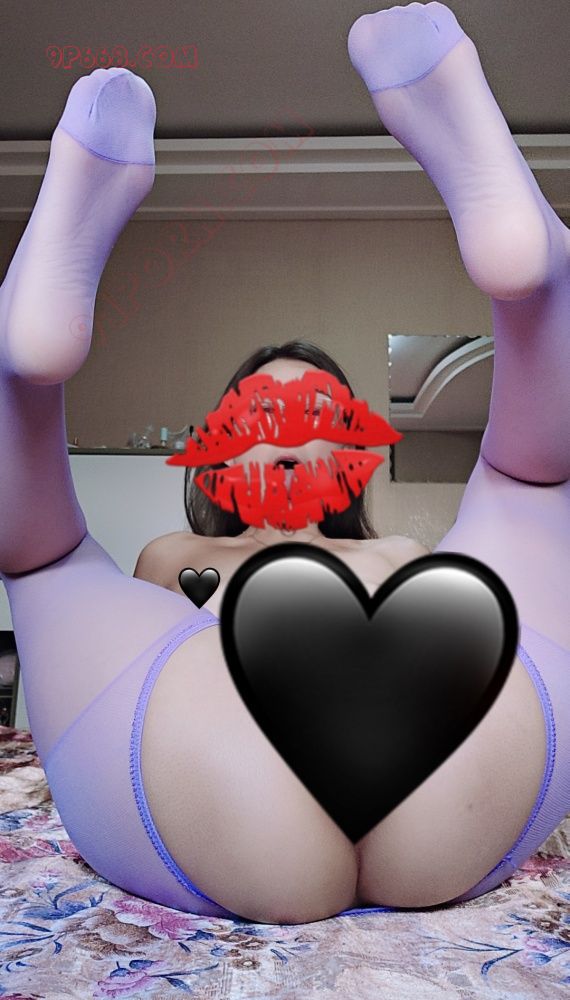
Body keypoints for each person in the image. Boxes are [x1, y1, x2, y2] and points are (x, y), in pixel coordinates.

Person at [0, 2, 568, 926]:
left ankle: (21, 369)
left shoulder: (199, 559)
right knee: (531, 488)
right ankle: (539, 287)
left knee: (46, 561)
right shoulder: (221, 556)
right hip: (453, 769)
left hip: (238, 782)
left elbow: (124, 659)